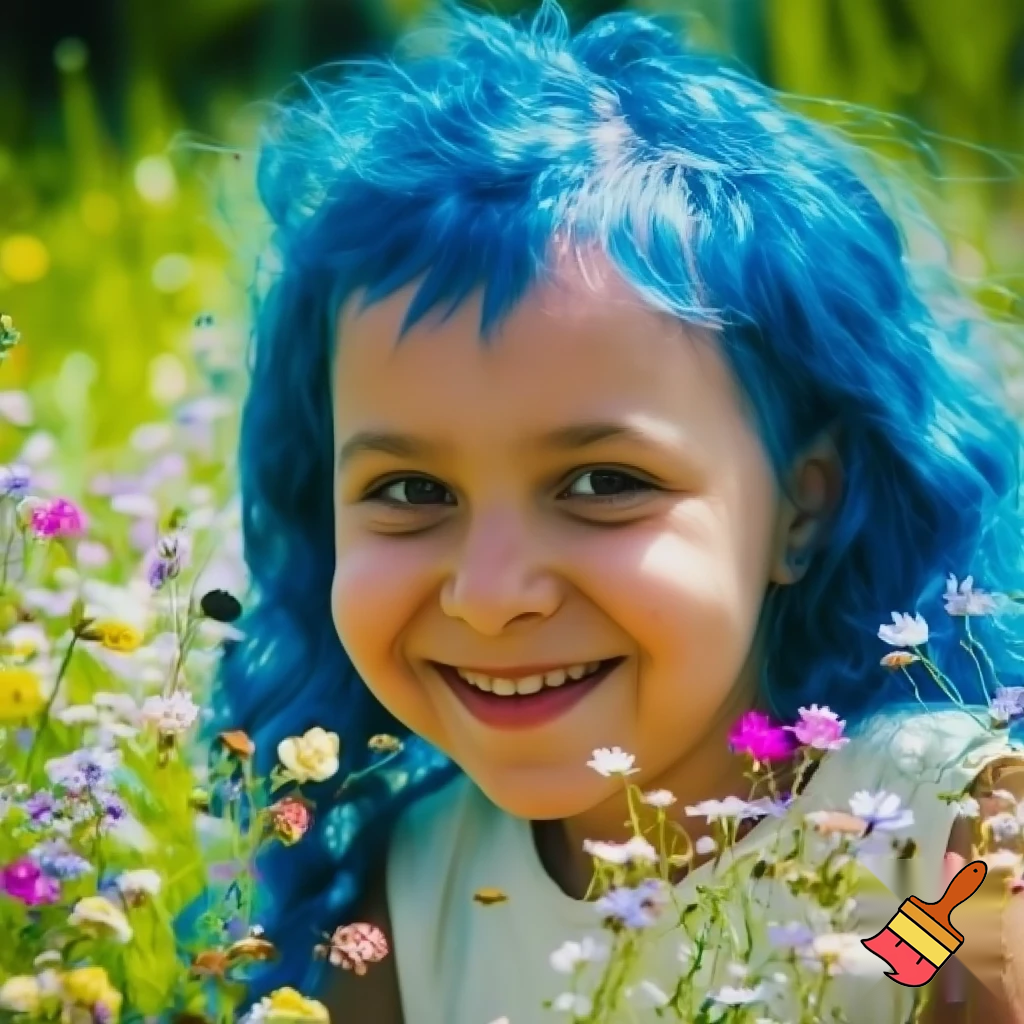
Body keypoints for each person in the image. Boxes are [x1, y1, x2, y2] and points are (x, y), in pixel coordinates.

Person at [215, 2, 1024, 1020]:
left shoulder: (946, 836)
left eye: (601, 484)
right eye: (411, 492)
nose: (491, 594)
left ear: (801, 507)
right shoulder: (412, 897)